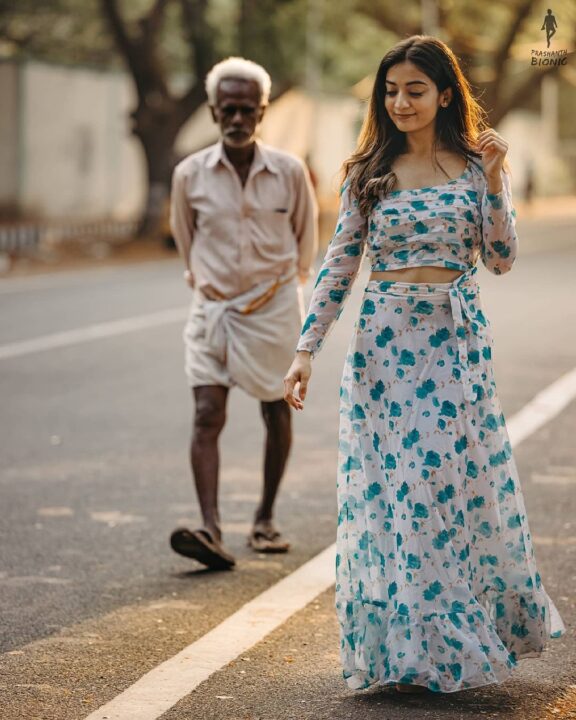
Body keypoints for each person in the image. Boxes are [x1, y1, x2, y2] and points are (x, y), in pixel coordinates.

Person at [284, 36, 564, 693]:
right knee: (399, 496)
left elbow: (499, 258)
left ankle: (449, 645)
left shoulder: (474, 166)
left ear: (445, 93)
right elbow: (339, 267)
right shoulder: (368, 174)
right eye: (391, 91)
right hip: (383, 350)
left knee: (441, 490)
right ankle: (409, 651)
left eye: (415, 90)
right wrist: (305, 350)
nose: (401, 102)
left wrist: (495, 179)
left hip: (453, 348)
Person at [170, 57, 318, 570]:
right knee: (207, 412)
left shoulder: (290, 172)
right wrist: (214, 289)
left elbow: (306, 243)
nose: (237, 119)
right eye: (228, 109)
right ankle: (210, 529)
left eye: (247, 110)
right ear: (214, 111)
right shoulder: (188, 174)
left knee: (276, 411)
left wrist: (281, 292)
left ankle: (265, 518)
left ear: (263, 111)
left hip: (275, 305)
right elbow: (185, 243)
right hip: (212, 310)